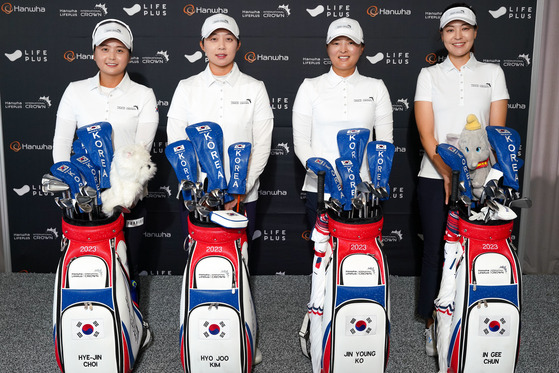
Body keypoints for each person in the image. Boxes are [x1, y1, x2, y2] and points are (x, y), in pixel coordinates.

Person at [414, 3, 509, 356]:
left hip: (481, 179)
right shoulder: (429, 75)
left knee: (474, 251)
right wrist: (448, 173)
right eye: (450, 30)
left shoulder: (493, 72)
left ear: (475, 33)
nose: (458, 36)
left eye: (464, 29)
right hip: (434, 175)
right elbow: (427, 134)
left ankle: (471, 316)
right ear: (442, 36)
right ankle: (432, 322)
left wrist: (474, 178)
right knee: (436, 248)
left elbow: (496, 132)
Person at [52, 19, 159, 291]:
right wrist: (72, 189)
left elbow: (141, 151)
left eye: (120, 49)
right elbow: (62, 143)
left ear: (130, 55)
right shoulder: (75, 91)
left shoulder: (144, 94)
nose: (112, 56)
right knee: (88, 266)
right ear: (94, 52)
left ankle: (132, 321)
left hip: (128, 197)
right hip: (84, 195)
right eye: (105, 48)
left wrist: (129, 195)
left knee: (127, 264)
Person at [167, 14, 274, 247]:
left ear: (238, 44)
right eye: (214, 39)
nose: (221, 46)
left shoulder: (255, 88)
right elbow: (177, 144)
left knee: (239, 258)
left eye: (228, 38)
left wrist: (240, 189)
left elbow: (262, 144)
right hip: (197, 195)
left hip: (243, 194)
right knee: (200, 259)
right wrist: (198, 191)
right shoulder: (186, 88)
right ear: (202, 45)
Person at [292, 17, 394, 229]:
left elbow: (384, 143)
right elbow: (301, 143)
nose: (343, 49)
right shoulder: (310, 87)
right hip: (321, 190)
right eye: (336, 43)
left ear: (361, 48)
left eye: (351, 42)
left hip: (364, 192)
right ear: (328, 47)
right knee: (323, 256)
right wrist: (325, 176)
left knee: (360, 259)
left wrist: (370, 182)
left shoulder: (376, 87)